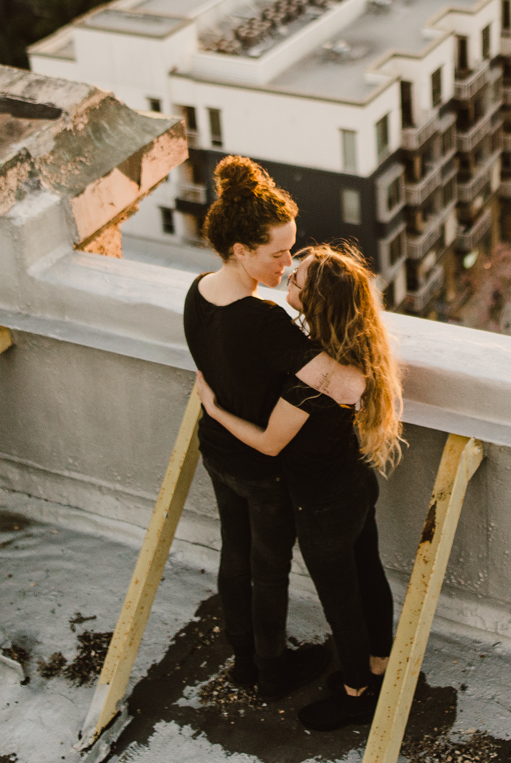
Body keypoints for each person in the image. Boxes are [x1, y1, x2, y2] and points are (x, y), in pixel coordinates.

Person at [196, 243, 405, 732]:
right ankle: (376, 665)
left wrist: (214, 408)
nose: (287, 273)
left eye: (297, 279)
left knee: (341, 602)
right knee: (368, 574)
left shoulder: (312, 382)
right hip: (356, 486)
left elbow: (269, 444)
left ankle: (356, 695)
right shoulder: (357, 350)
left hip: (320, 506)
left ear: (317, 304)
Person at [184, 156, 362, 701]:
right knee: (270, 570)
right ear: (240, 249)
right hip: (262, 469)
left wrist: (213, 407)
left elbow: (210, 364)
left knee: (234, 555)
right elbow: (345, 385)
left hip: (217, 453)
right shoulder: (265, 322)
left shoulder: (198, 291)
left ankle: (244, 662)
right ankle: (272, 669)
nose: (288, 263)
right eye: (278, 252)